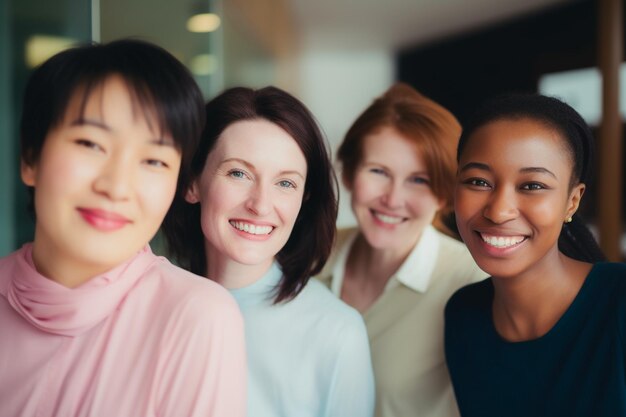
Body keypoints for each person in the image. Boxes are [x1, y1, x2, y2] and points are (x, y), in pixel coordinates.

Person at [0, 40, 247, 417]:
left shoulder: (196, 316)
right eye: (90, 144)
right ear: (30, 158)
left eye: (153, 160)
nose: (116, 187)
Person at [163, 86, 375, 417]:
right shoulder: (153, 303)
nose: (260, 205)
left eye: (285, 183)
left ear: (303, 201)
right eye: (239, 173)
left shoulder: (337, 333)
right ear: (192, 182)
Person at [444, 93, 623, 417]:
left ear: (572, 201)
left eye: (532, 186)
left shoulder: (618, 303)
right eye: (478, 181)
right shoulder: (462, 316)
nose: (498, 211)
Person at [316, 83, 486, 417]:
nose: (393, 199)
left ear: (444, 194)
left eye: (418, 180)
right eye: (378, 171)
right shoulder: (311, 251)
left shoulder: (472, 279)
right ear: (349, 174)